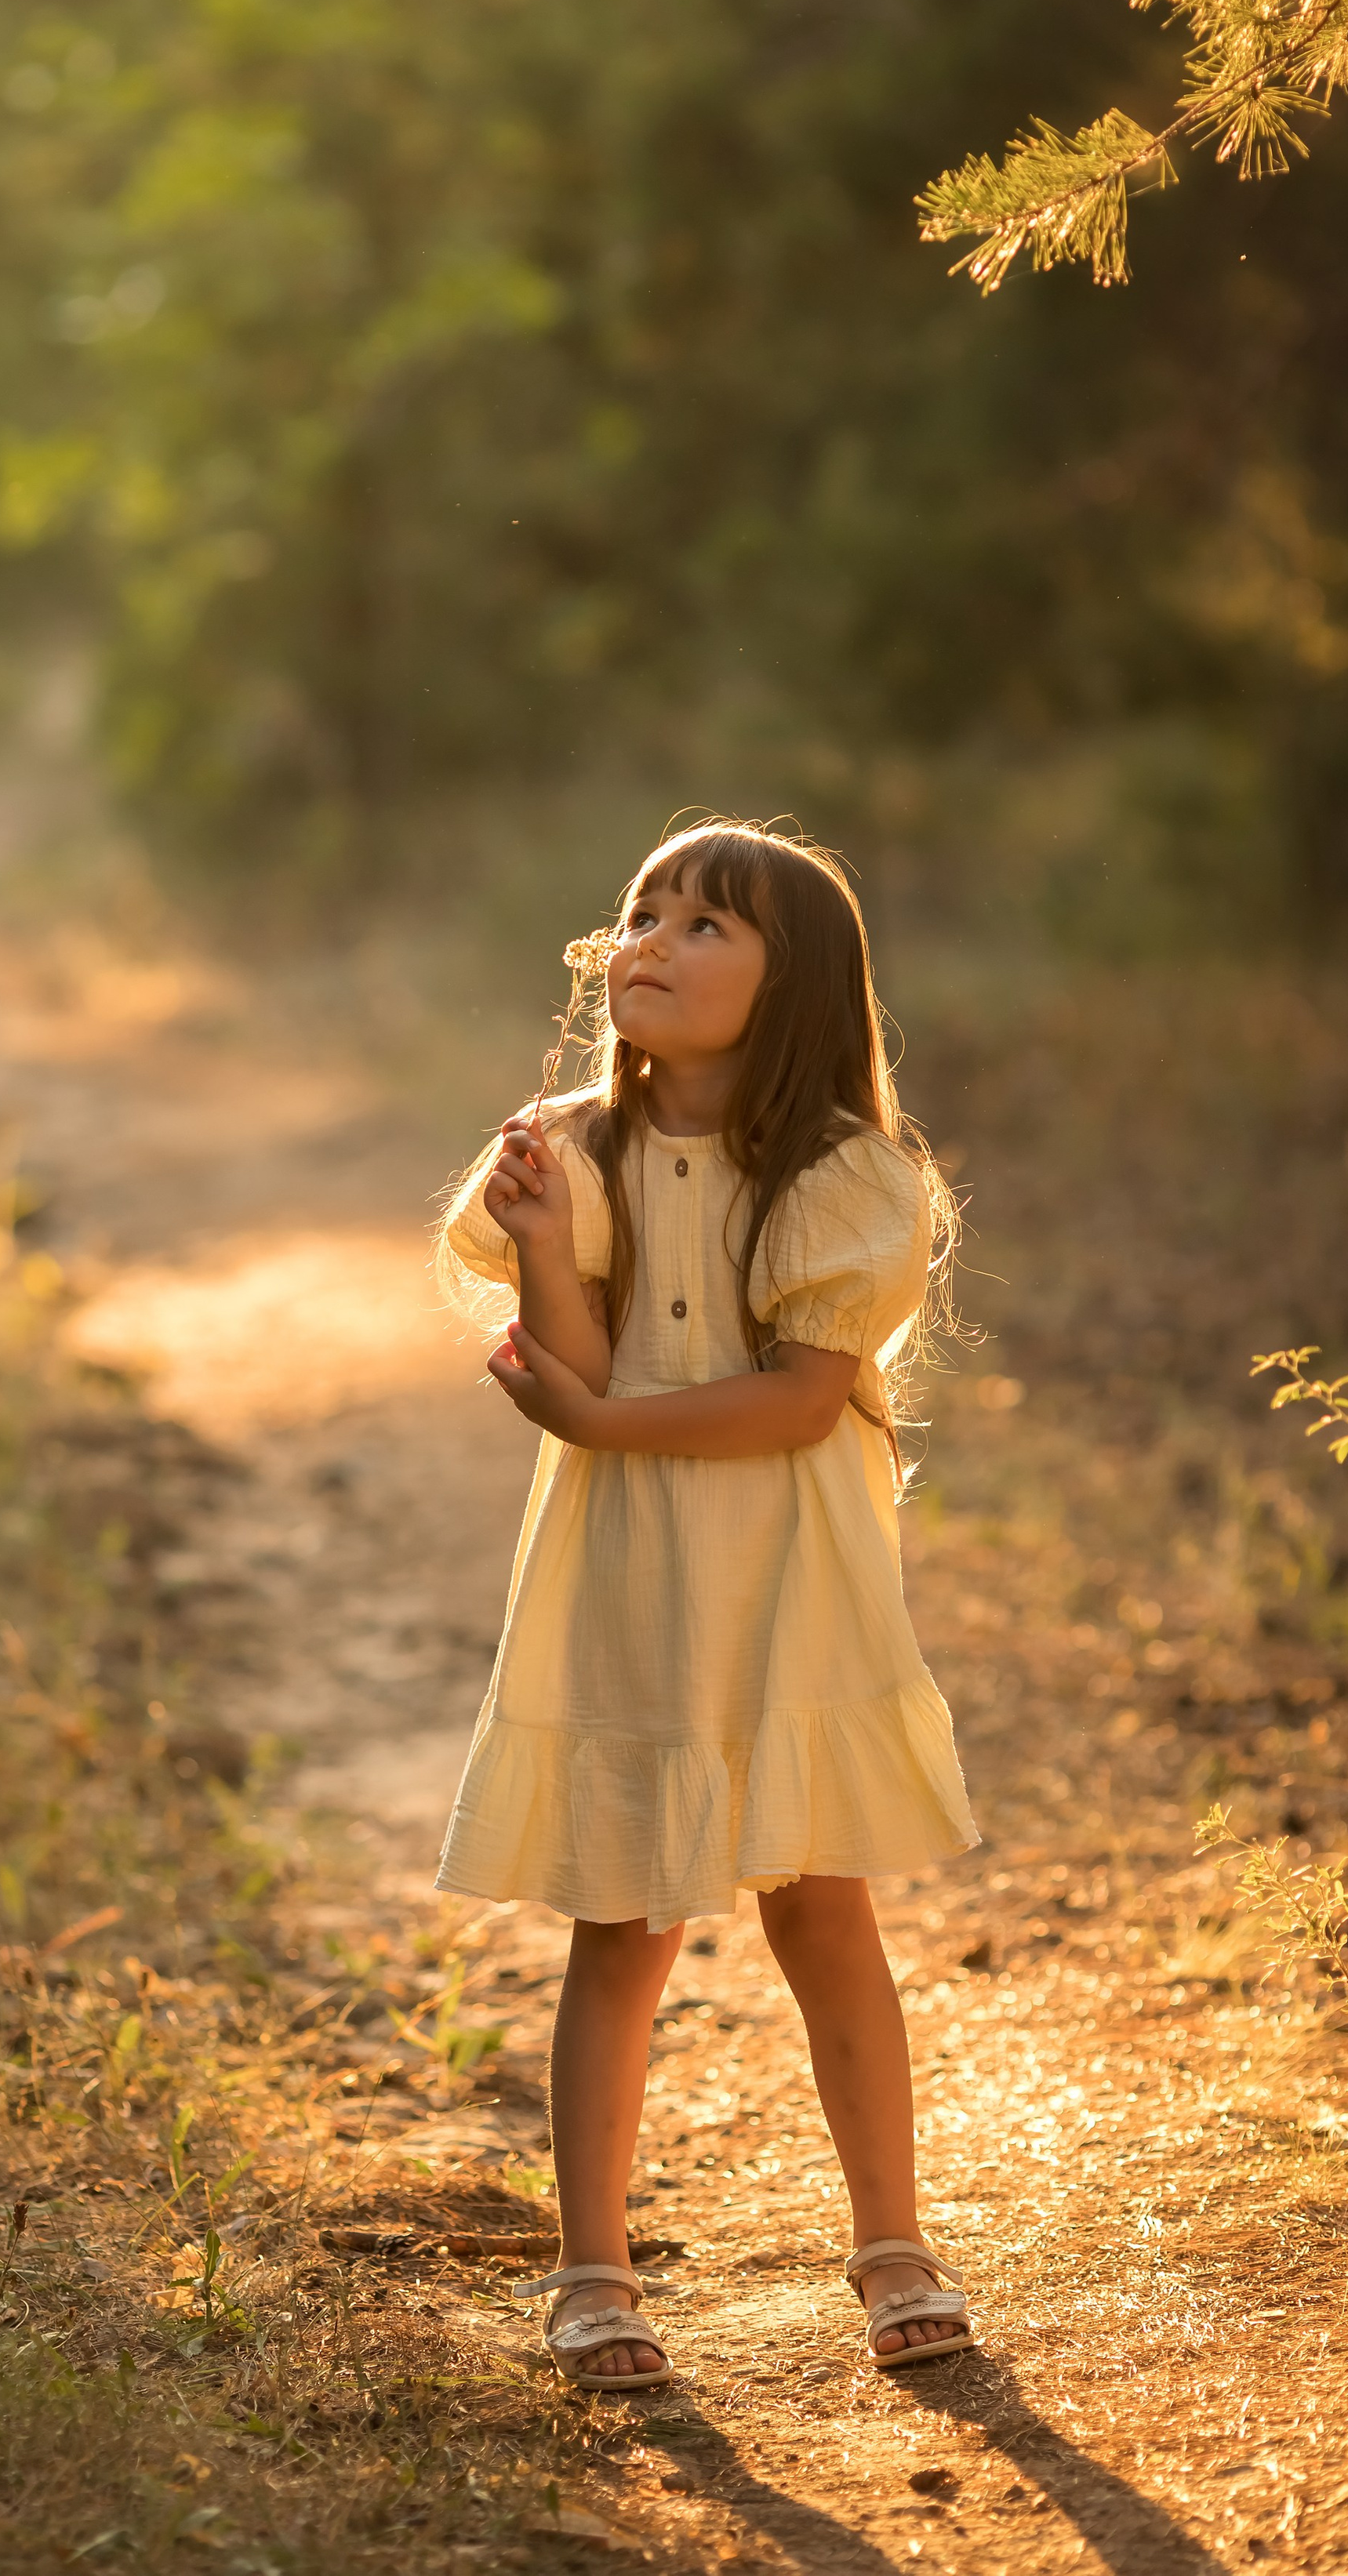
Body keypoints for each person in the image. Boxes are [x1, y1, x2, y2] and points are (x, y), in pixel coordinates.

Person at [434, 818, 978, 2389]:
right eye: (638, 912)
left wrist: (597, 1427)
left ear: (790, 980)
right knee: (623, 1915)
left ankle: (891, 2245)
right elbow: (572, 1365)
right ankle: (592, 2271)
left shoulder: (840, 1177)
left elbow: (800, 1402)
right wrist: (540, 1249)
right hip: (626, 1582)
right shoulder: (570, 1147)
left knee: (820, 1906)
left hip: (790, 1580)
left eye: (702, 925)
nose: (650, 944)